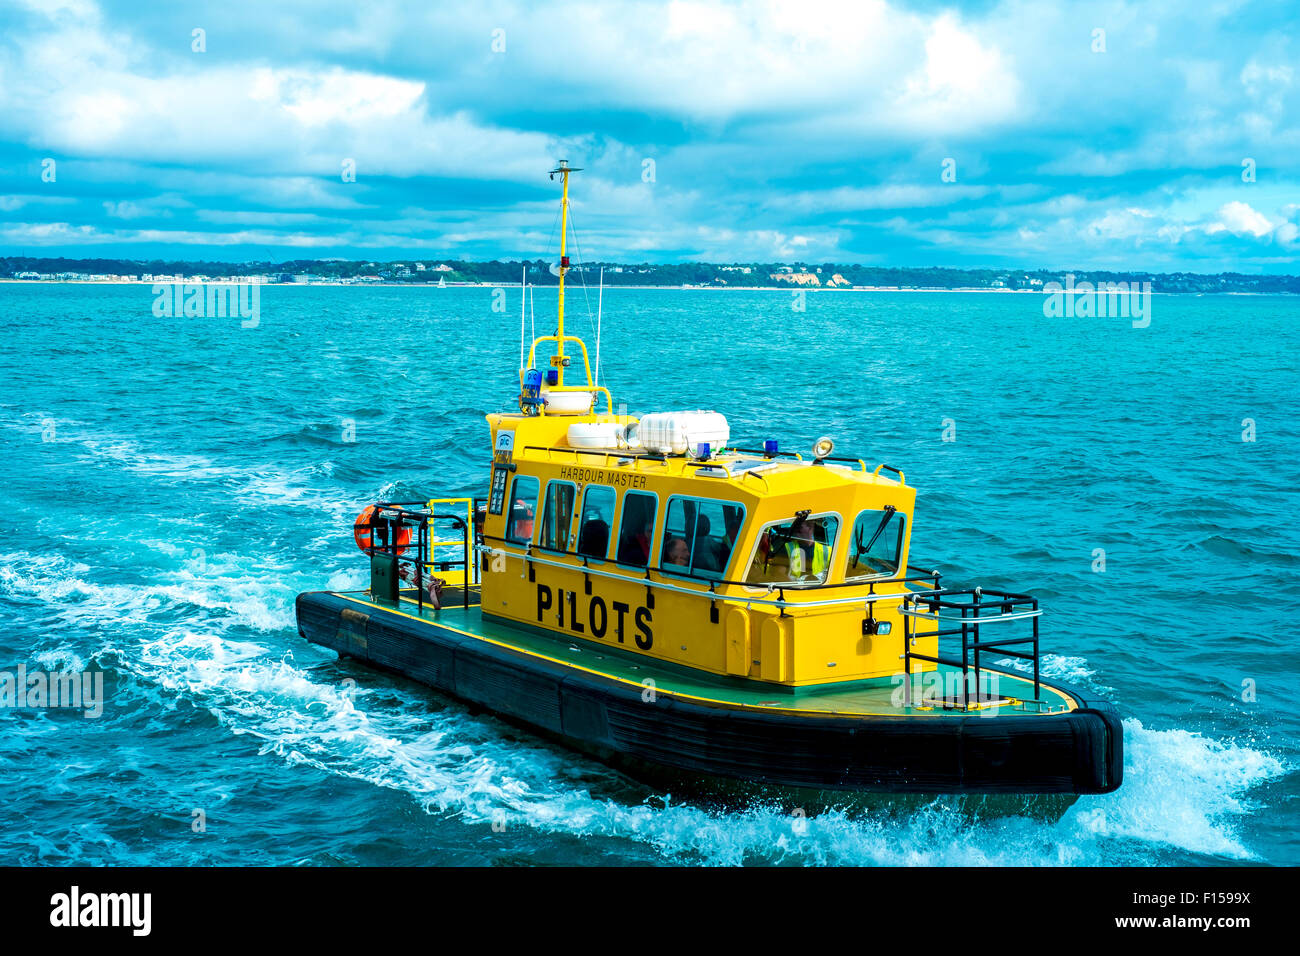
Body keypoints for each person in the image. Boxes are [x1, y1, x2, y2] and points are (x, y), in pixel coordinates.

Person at [785, 515, 830, 580]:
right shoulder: (787, 547)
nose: (795, 530)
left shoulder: (828, 551)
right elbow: (779, 573)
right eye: (794, 528)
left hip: (819, 588)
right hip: (793, 589)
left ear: (810, 527)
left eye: (799, 528)